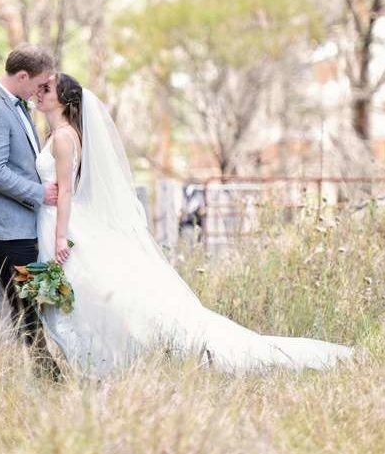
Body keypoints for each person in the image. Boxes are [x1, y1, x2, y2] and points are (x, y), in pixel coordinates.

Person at [32, 72, 354, 377]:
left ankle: (122, 354)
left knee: (97, 293)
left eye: (47, 89)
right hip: (59, 224)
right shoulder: (59, 134)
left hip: (67, 227)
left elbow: (67, 191)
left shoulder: (63, 137)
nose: (40, 93)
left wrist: (61, 237)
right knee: (90, 292)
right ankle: (107, 355)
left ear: (63, 100)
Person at [0, 44, 61, 374]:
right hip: (10, 229)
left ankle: (50, 371)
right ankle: (47, 377)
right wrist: (39, 193)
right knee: (28, 306)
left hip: (26, 224)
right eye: (39, 84)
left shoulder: (16, 106)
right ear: (22, 76)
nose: (41, 91)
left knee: (43, 300)